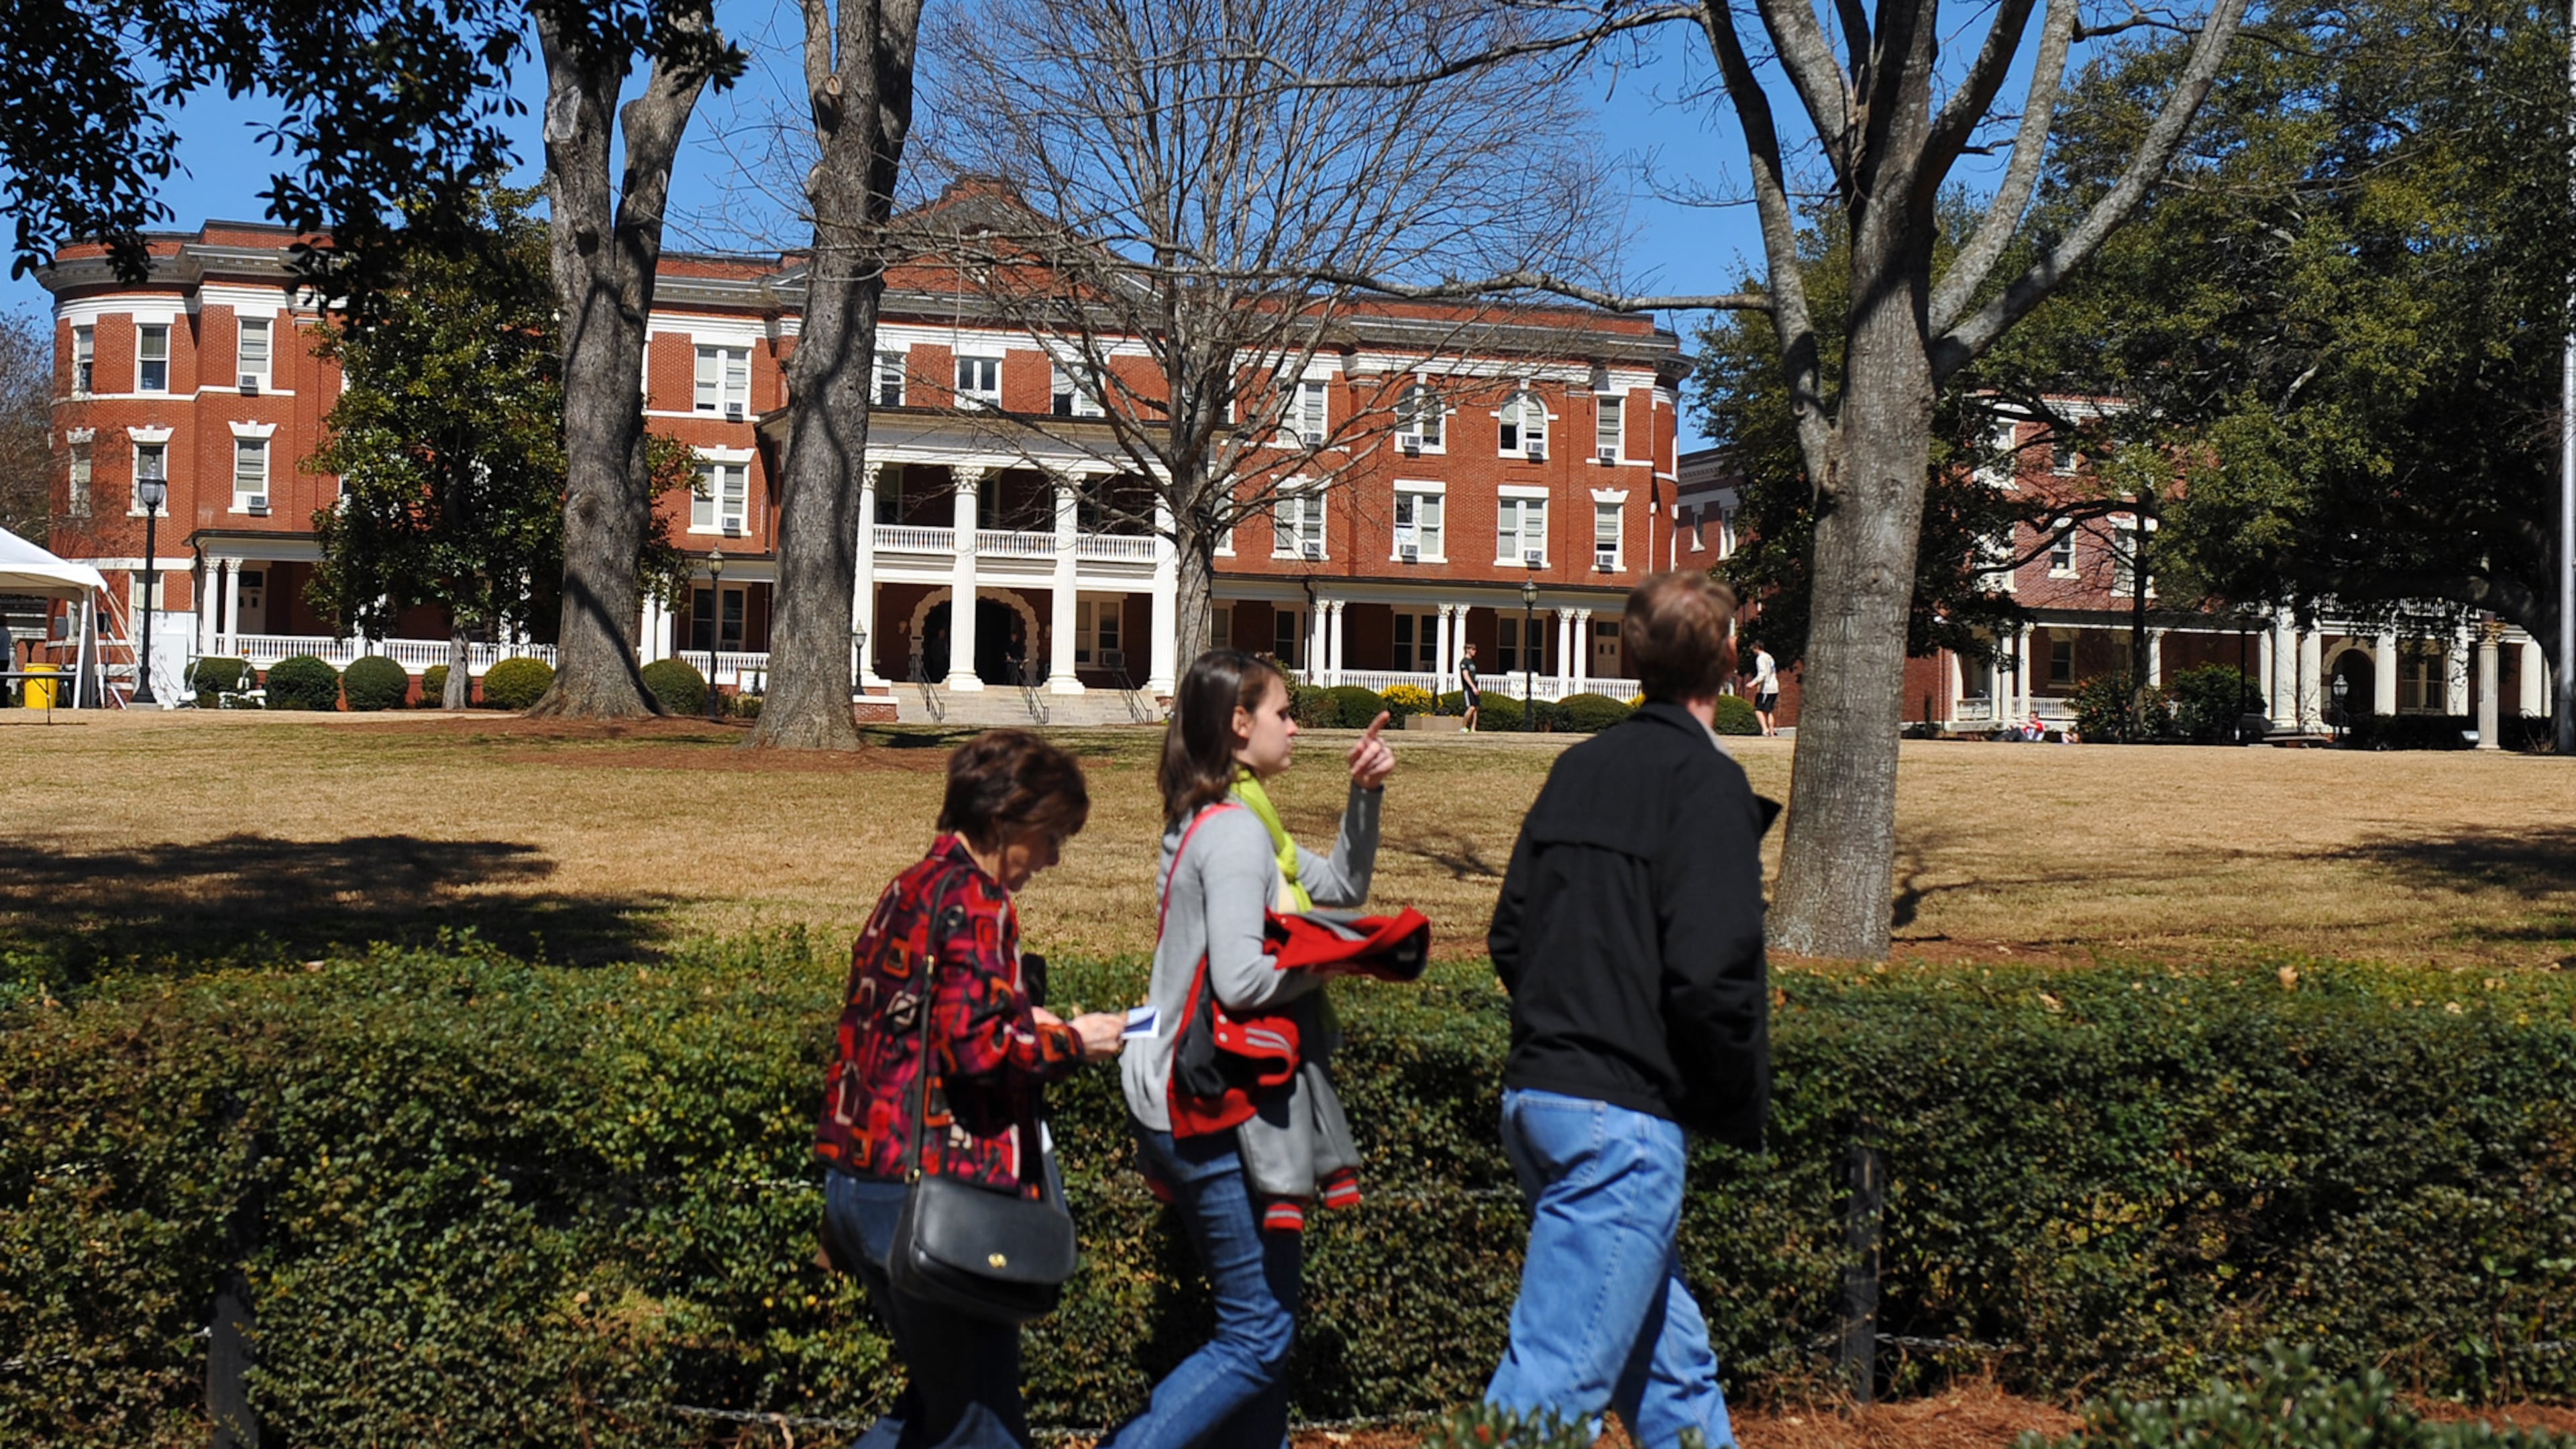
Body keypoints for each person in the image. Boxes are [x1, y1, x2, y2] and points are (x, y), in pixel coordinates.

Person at [1485, 572, 1772, 1449]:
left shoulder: (1578, 767)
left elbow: (1510, 934)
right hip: (1620, 1124)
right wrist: (1731, 1101)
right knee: (1547, 1395)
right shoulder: (1708, 783)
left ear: (1633, 657)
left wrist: (1566, 1028)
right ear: (1729, 660)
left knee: (1674, 1376)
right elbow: (1712, 976)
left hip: (1538, 1100)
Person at [1108, 649, 1397, 1449]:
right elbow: (1241, 982)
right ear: (1240, 724)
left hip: (1197, 1094)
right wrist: (1349, 957)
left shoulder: (1234, 816)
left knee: (1262, 1336)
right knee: (1258, 1335)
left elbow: (1341, 888)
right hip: (1209, 1103)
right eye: (1283, 712)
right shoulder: (1235, 832)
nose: (1295, 727)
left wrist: (1364, 794)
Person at [815, 730, 1129, 1449]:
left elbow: (919, 1023)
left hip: (861, 1179)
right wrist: (1075, 1041)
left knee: (939, 1411)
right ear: (1006, 820)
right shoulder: (979, 902)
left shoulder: (913, 885)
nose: (1052, 859)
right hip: (929, 1192)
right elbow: (979, 1052)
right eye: (1051, 837)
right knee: (983, 1424)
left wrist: (1023, 1019)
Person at [1745, 643, 1778, 737]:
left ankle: (1765, 730)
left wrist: (1753, 683)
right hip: (1774, 686)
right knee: (1769, 710)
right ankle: (1771, 731)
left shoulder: (1761, 658)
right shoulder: (1769, 657)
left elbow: (1763, 673)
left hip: (1766, 688)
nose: (1753, 652)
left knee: (1758, 709)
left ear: (1757, 648)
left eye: (1753, 649)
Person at [1458, 643, 1482, 733]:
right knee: (1471, 707)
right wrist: (1473, 687)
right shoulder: (1464, 662)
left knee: (1476, 708)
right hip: (1468, 689)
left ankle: (1473, 728)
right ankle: (1464, 727)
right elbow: (1466, 676)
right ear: (1467, 650)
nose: (1475, 651)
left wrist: (1476, 687)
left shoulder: (1472, 662)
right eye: (1473, 649)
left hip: (1474, 687)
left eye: (1475, 649)